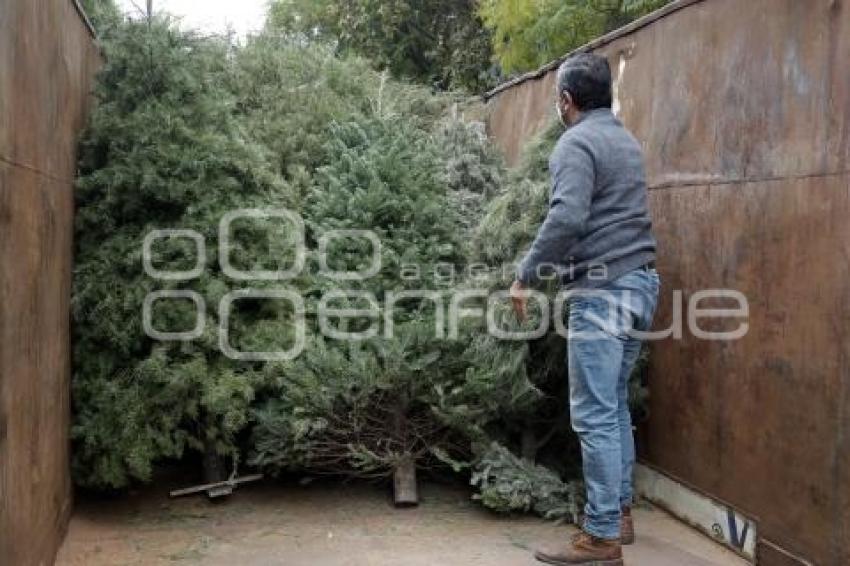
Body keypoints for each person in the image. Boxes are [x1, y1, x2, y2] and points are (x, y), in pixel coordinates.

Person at [510, 53, 660, 566]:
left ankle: (600, 537)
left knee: (594, 414)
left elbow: (568, 217)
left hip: (603, 292)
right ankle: (618, 514)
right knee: (614, 405)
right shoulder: (625, 141)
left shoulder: (574, 143)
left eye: (558, 97)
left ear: (566, 101)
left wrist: (525, 274)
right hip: (641, 284)